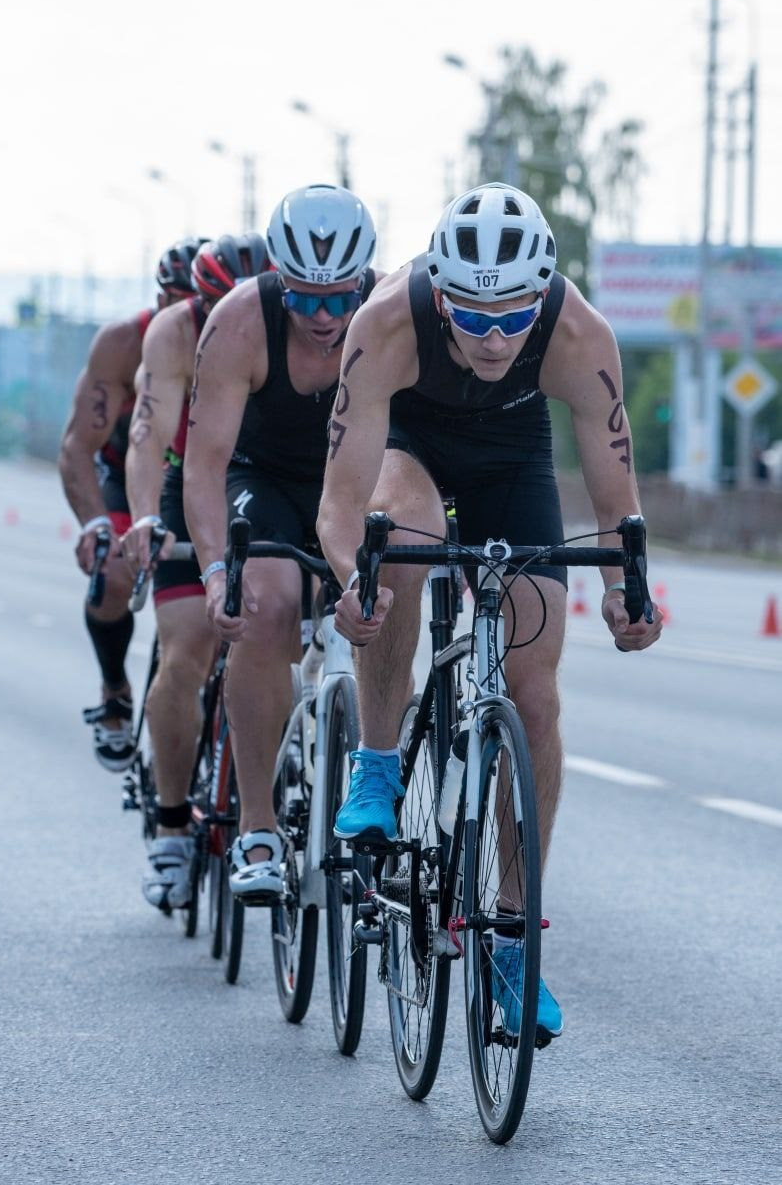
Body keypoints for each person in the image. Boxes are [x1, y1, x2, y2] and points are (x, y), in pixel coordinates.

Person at [316, 182, 663, 1040]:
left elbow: (620, 504)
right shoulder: (390, 320)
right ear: (442, 294)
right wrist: (349, 579)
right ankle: (379, 763)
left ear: (543, 292)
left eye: (515, 315)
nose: (497, 335)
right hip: (414, 448)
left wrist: (628, 596)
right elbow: (339, 501)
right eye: (472, 318)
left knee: (535, 697)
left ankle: (512, 940)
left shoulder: (579, 334)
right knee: (394, 541)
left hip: (513, 460)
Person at [183, 183, 381, 901]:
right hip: (260, 478)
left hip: (352, 483)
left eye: (341, 299)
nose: (325, 319)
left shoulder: (387, 317)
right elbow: (203, 467)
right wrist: (214, 574)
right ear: (280, 283)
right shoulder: (240, 323)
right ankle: (259, 827)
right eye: (306, 300)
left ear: (364, 282)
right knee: (265, 607)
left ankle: (374, 785)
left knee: (384, 605)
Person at [122, 234, 275, 911]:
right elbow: (148, 438)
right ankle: (174, 825)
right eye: (213, 302)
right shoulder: (173, 335)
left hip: (269, 482)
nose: (228, 314)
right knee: (185, 650)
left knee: (279, 638)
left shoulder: (290, 324)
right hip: (190, 487)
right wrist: (142, 519)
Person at [58, 237, 207, 771]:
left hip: (204, 480)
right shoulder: (124, 344)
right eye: (178, 302)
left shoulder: (242, 336)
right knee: (116, 572)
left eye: (206, 304)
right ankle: (116, 688)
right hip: (130, 475)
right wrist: (95, 523)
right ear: (160, 299)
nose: (191, 318)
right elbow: (78, 446)